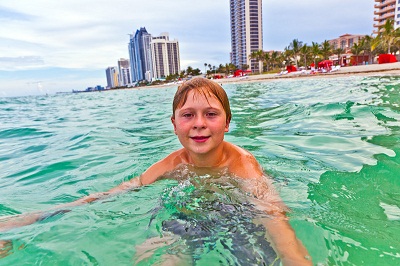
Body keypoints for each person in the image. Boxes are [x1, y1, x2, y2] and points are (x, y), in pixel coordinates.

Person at [0, 77, 312, 265]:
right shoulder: (173, 165)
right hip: (189, 213)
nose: (199, 123)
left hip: (238, 213)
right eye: (188, 115)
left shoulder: (243, 167)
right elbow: (114, 194)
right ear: (175, 125)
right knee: (166, 254)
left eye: (211, 114)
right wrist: (31, 218)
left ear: (227, 123)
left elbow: (275, 220)